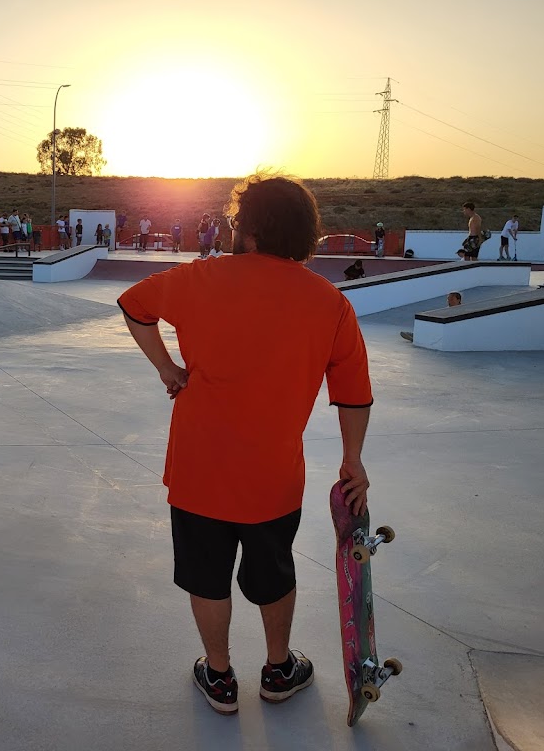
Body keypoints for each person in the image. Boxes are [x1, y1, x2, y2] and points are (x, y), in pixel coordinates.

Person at [117, 173, 373, 716]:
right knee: (272, 571)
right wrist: (353, 461)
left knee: (206, 574)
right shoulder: (329, 303)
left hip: (198, 471)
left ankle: (219, 677)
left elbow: (134, 306)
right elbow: (353, 392)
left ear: (249, 229)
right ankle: (279, 671)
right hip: (273, 479)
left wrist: (170, 370)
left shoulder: (198, 278)